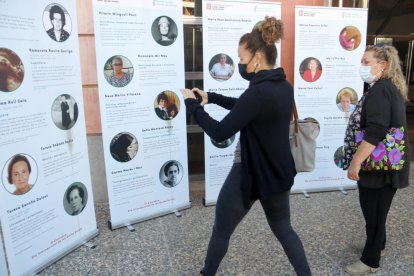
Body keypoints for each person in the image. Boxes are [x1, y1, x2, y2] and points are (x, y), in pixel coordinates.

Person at [181, 16, 311, 275]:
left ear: (257, 58)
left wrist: (193, 106)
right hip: (278, 174)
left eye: (241, 59)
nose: (239, 64)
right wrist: (212, 97)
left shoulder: (258, 92)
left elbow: (220, 132)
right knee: (285, 231)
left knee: (221, 231)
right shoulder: (283, 86)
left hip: (248, 174)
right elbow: (247, 109)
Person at [342, 44, 410, 274]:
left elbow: (376, 131)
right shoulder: (385, 87)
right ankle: (378, 245)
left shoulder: (381, 90)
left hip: (378, 167)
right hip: (383, 165)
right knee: (377, 211)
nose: (362, 66)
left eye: (366, 62)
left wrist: (356, 161)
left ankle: (370, 260)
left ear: (383, 66)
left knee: (374, 213)